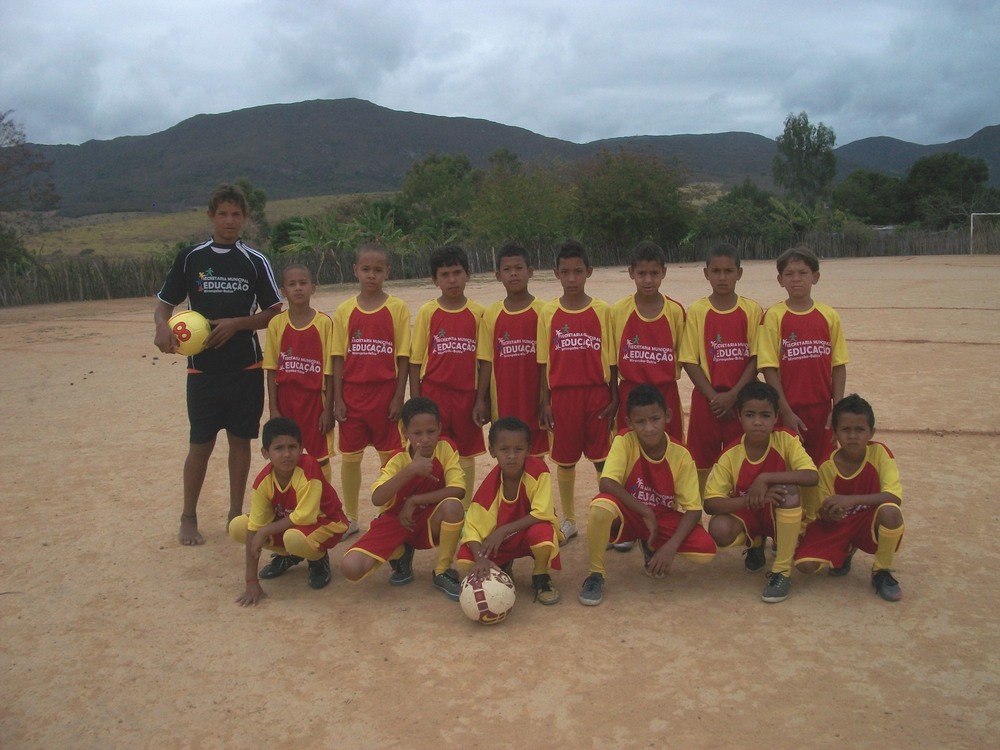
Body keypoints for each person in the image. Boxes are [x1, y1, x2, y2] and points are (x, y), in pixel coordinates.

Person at [154, 183, 282, 546]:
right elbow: (165, 304)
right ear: (211, 216)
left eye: (236, 214)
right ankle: (188, 516)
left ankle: (234, 513)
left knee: (241, 442)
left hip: (245, 368)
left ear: (245, 219)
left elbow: (274, 313)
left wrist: (237, 323)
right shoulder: (191, 257)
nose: (229, 220)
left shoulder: (255, 261)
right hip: (202, 370)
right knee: (201, 444)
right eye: (223, 214)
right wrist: (161, 327)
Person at [578, 385, 716, 606]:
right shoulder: (624, 440)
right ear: (630, 422)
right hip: (632, 512)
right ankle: (595, 574)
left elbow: (693, 509)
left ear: (667, 416)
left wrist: (669, 548)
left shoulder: (681, 455)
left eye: (655, 419)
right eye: (640, 422)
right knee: (601, 507)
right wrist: (644, 511)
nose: (649, 428)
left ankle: (651, 545)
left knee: (705, 551)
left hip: (661, 518)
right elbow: (606, 482)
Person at [340, 397, 467, 601]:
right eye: (417, 433)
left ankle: (442, 570)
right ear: (405, 432)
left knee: (453, 507)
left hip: (427, 519)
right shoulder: (397, 459)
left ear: (439, 428)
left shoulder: (446, 448)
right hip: (396, 520)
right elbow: (377, 498)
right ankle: (400, 554)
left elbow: (458, 489)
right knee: (351, 568)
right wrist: (410, 470)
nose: (425, 439)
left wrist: (414, 500)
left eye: (431, 432)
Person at [703, 381, 818, 603]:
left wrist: (765, 478)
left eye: (765, 415)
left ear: (776, 417)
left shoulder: (786, 440)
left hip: (778, 513)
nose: (757, 422)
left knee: (790, 491)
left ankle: (782, 572)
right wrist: (751, 500)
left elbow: (811, 476)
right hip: (750, 513)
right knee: (719, 527)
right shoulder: (730, 454)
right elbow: (711, 503)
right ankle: (755, 543)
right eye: (750, 414)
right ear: (739, 416)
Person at [538, 241, 618, 544]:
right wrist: (545, 401)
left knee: (602, 459)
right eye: (566, 272)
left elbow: (611, 358)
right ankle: (569, 520)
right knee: (566, 460)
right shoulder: (548, 312)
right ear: (556, 274)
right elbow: (543, 361)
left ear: (589, 272)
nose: (572, 279)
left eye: (578, 272)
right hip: (563, 397)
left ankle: (607, 516)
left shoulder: (602, 311)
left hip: (596, 395)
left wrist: (614, 396)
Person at [330, 244, 411, 537]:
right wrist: (338, 398)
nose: (372, 275)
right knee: (350, 457)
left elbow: (403, 357)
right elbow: (338, 356)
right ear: (355, 271)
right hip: (352, 396)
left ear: (387, 272)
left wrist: (398, 396)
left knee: (390, 458)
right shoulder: (345, 310)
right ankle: (350, 517)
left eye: (378, 270)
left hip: (384, 394)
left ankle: (385, 513)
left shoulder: (397, 308)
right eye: (366, 269)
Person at [228, 417, 349, 606]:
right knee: (238, 527)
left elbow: (305, 517)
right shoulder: (263, 482)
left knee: (294, 538)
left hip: (327, 522)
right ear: (265, 453)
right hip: (292, 523)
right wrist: (251, 582)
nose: (286, 454)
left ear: (301, 449)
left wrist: (266, 531)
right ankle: (288, 555)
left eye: (292, 447)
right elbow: (255, 528)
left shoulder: (309, 467)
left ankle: (317, 558)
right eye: (278, 448)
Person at [794, 394, 905, 601]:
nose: (852, 436)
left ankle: (881, 571)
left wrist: (851, 500)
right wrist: (829, 514)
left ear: (871, 432)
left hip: (866, 520)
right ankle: (845, 550)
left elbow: (894, 497)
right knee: (805, 566)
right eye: (845, 430)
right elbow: (822, 514)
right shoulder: (827, 467)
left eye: (860, 430)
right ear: (835, 433)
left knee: (890, 512)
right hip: (839, 525)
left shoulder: (880, 453)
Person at [679, 243, 763, 494]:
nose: (722, 277)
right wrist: (715, 398)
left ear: (739, 272)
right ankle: (695, 519)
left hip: (742, 401)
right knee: (700, 463)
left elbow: (756, 359)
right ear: (706, 273)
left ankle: (741, 516)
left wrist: (733, 395)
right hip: (708, 401)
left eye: (728, 270)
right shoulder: (697, 311)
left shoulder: (752, 310)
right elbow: (689, 360)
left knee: (741, 459)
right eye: (716, 271)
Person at [757, 244, 848, 466]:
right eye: (789, 274)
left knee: (823, 467)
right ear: (780, 280)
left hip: (822, 410)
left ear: (815, 277)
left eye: (803, 273)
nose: (796, 279)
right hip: (786, 409)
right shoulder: (774, 316)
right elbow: (769, 369)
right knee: (788, 467)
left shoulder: (829, 316)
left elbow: (838, 366)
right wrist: (785, 411)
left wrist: (837, 409)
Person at [456, 417, 561, 605]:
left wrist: (502, 530)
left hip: (525, 535)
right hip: (501, 542)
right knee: (465, 558)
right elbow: (472, 528)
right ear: (492, 451)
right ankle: (501, 566)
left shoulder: (538, 471)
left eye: (518, 449)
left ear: (528, 450)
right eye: (504, 450)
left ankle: (540, 576)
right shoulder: (489, 488)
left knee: (544, 533)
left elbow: (542, 513)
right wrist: (480, 558)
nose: (512, 456)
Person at [409, 246, 485, 499]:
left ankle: (462, 509)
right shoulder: (428, 312)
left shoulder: (478, 313)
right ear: (435, 280)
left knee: (465, 453)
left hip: (466, 396)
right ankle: (430, 502)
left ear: (468, 275)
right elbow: (416, 360)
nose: (452, 280)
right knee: (432, 449)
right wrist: (418, 401)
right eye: (445, 274)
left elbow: (484, 360)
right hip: (434, 394)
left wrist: (482, 398)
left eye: (457, 272)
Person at [473, 244, 549, 456]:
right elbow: (486, 361)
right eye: (507, 269)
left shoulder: (544, 311)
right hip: (504, 400)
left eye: (518, 268)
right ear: (498, 275)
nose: (513, 273)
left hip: (535, 399)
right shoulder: (491, 314)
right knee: (509, 457)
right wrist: (481, 399)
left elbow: (548, 362)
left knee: (536, 457)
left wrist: (546, 399)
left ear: (530, 272)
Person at [263, 264, 335, 482]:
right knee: (286, 454)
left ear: (313, 287)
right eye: (292, 284)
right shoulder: (277, 323)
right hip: (286, 400)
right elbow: (271, 370)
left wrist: (328, 409)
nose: (298, 289)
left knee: (319, 456)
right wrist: (274, 409)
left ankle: (323, 501)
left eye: (303, 283)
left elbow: (330, 372)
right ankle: (292, 502)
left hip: (314, 402)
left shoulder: (323, 323)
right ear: (283, 291)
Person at [611, 241, 686, 443]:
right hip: (629, 391)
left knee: (671, 449)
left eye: (654, 273)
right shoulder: (618, 310)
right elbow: (611, 359)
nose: (648, 280)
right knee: (628, 451)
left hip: (665, 392)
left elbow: (684, 355)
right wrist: (614, 397)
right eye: (641, 273)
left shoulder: (675, 311)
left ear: (664, 272)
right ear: (631, 272)